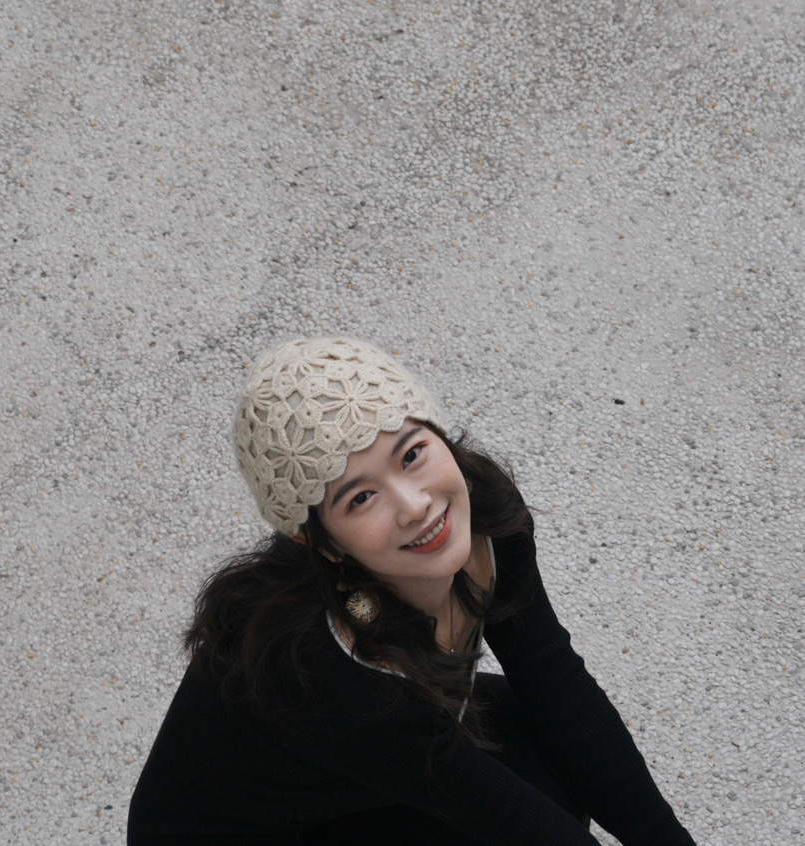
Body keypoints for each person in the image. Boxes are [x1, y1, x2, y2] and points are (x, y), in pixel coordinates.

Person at [127, 337, 697, 845]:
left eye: (411, 454)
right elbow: (506, 818)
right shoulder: (332, 670)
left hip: (347, 783)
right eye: (361, 498)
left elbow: (558, 689)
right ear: (320, 544)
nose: (416, 505)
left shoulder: (485, 515)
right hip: (253, 830)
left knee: (541, 747)